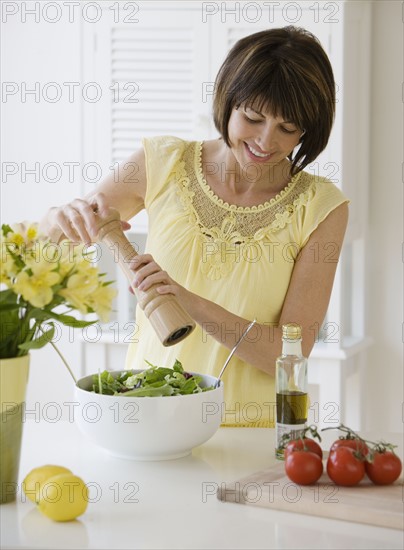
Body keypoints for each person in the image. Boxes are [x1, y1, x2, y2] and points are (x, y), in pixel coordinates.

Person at [40, 26, 349, 427]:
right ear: (228, 101)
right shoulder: (161, 163)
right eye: (252, 118)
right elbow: (44, 252)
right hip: (146, 421)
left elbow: (288, 355)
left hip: (249, 437)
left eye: (288, 129)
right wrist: (55, 219)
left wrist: (190, 302)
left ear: (308, 130)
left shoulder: (322, 206)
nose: (265, 141)